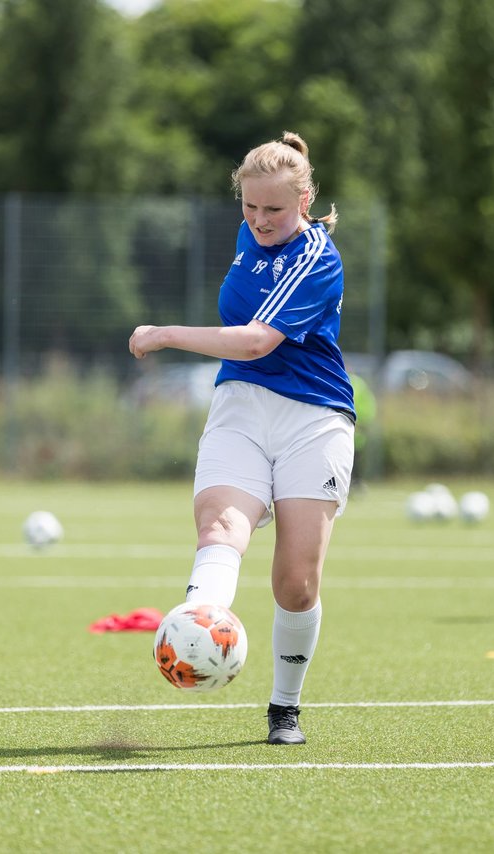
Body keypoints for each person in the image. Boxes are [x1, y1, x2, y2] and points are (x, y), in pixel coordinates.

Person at [129, 131, 354, 744]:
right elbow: (244, 353)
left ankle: (285, 706)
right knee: (219, 528)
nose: (259, 221)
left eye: (274, 210)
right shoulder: (249, 234)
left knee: (296, 582)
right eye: (249, 208)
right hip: (239, 409)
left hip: (314, 418)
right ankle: (200, 626)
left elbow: (256, 341)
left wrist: (167, 333)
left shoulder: (317, 257)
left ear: (305, 201)